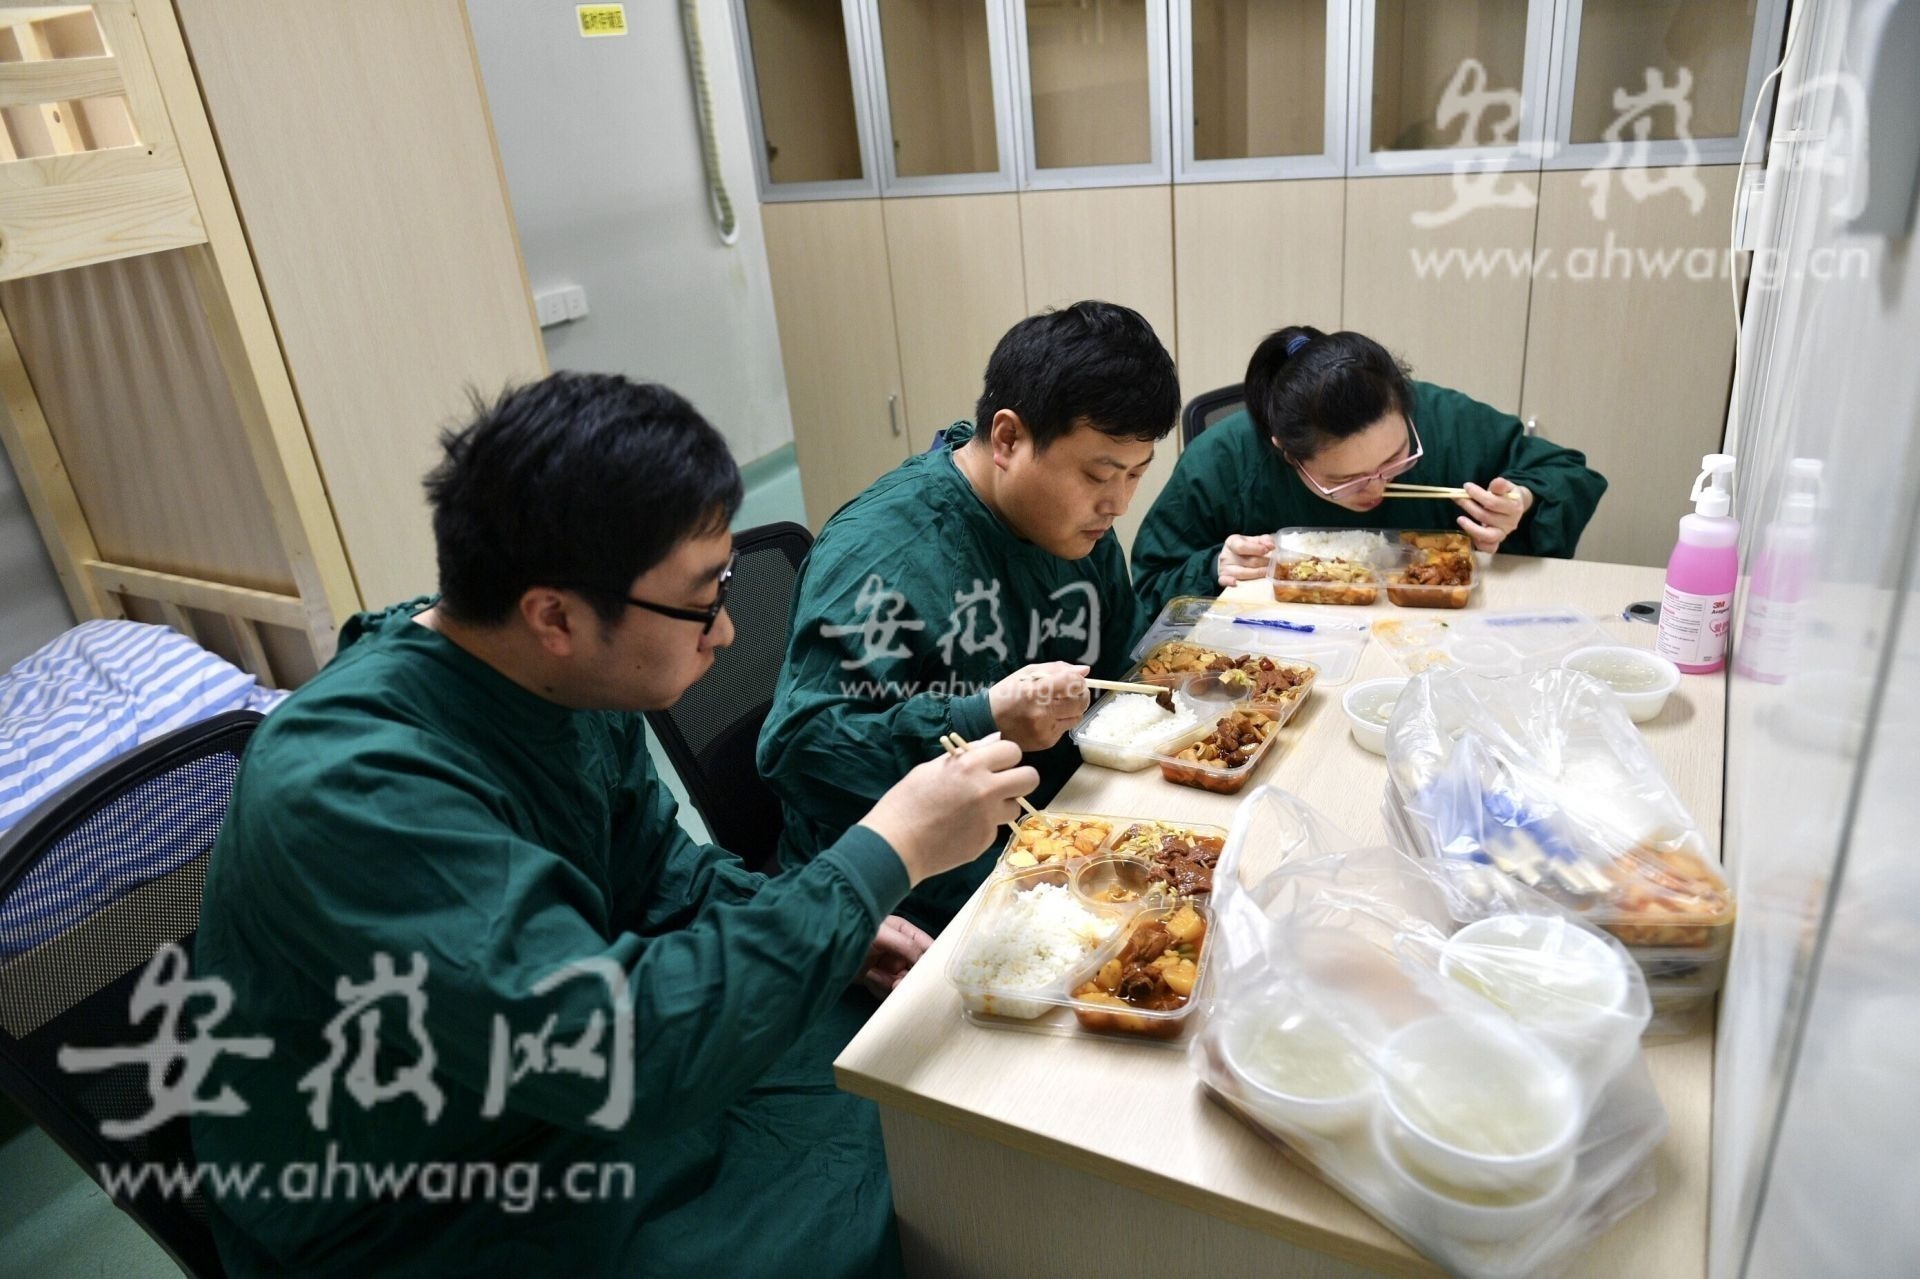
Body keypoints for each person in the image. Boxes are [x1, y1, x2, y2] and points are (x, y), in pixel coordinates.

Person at [190, 373, 1037, 1277]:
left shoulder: (555, 678)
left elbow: (662, 872)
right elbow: (606, 1050)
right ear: (554, 614)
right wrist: (884, 850)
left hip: (568, 1079)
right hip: (423, 1193)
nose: (724, 633)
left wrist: (828, 915)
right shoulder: (352, 787)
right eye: (702, 598)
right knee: (902, 1190)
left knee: (940, 1099)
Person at [758, 301, 1181, 933]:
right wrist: (980, 719)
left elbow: (1121, 667)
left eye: (1136, 475)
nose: (1118, 502)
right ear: (1008, 439)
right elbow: (799, 750)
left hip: (1060, 835)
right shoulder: (884, 554)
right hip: (915, 899)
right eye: (1100, 473)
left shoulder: (1077, 526)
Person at [1131, 326, 1608, 612]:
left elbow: (1567, 472)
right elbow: (1151, 583)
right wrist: (1213, 566)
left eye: (1396, 458)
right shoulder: (1225, 459)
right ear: (1286, 452)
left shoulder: (1444, 419)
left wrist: (1520, 500)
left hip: (1439, 635)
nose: (1377, 488)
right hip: (1282, 655)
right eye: (1344, 481)